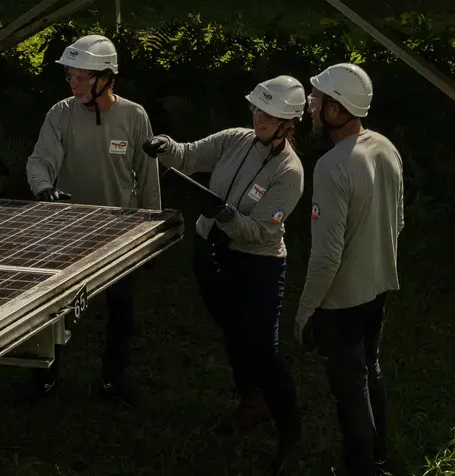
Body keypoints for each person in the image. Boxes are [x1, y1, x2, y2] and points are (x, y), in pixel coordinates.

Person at [145, 76, 308, 474]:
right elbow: (189, 155)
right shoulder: (237, 138)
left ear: (288, 123)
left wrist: (224, 214)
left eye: (269, 114)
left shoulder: (290, 172)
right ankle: (251, 402)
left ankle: (291, 432)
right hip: (211, 251)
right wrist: (166, 147)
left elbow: (261, 232)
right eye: (257, 108)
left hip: (257, 264)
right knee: (234, 334)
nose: (259, 118)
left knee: (261, 349)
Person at [23, 32, 160, 401]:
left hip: (120, 233)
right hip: (68, 231)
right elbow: (41, 159)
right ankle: (45, 382)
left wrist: (152, 230)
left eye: (81, 77)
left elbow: (147, 172)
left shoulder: (134, 116)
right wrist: (43, 188)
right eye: (69, 76)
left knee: (121, 311)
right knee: (55, 312)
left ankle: (113, 382)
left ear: (105, 78)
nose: (73, 84)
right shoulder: (60, 114)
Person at [294, 62, 404, 476]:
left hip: (342, 301)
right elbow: (399, 222)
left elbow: (325, 257)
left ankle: (361, 467)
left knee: (350, 388)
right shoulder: (385, 147)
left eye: (318, 99)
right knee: (370, 371)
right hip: (379, 288)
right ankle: (379, 456)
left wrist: (306, 311)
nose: (310, 105)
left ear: (337, 110)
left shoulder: (331, 167)